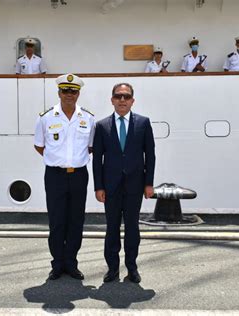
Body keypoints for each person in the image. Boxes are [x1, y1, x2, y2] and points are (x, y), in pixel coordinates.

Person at [93, 83, 156, 284]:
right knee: (112, 228)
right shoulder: (102, 126)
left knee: (132, 228)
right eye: (118, 96)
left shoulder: (143, 123)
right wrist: (98, 186)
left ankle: (132, 267)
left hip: (135, 186)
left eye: (126, 97)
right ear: (112, 100)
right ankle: (112, 268)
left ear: (132, 101)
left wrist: (149, 183)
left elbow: (150, 155)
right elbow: (97, 160)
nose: (122, 100)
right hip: (110, 187)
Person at [34, 73, 95, 281]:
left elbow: (91, 147)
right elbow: (39, 146)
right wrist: (58, 160)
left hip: (78, 175)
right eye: (65, 90)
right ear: (59, 92)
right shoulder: (46, 117)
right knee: (57, 220)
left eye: (73, 91)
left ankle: (71, 262)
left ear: (78, 93)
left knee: (76, 220)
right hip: (55, 176)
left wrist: (72, 162)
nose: (69, 94)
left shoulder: (88, 118)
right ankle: (57, 264)